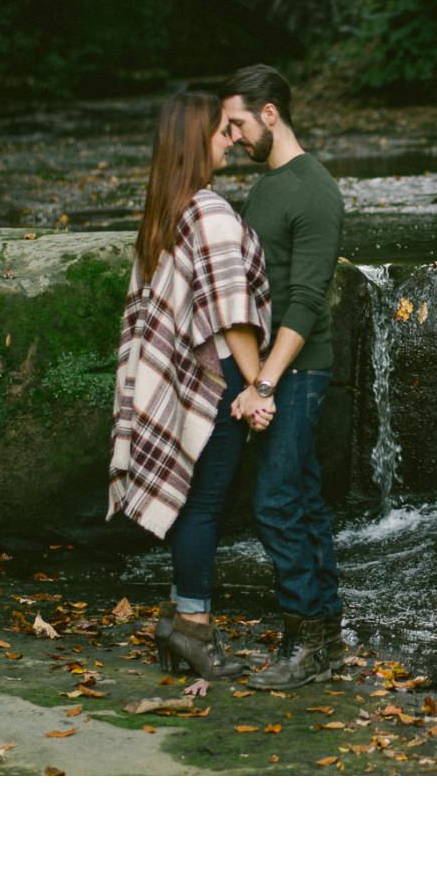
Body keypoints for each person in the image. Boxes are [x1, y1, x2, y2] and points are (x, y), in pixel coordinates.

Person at [107, 89, 276, 683]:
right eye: (219, 130)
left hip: (184, 374)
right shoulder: (207, 210)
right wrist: (260, 385)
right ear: (194, 140)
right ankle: (192, 629)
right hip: (217, 373)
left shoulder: (165, 208)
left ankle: (181, 624)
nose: (229, 137)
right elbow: (230, 313)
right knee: (204, 504)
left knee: (193, 502)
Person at [219, 64, 348, 689]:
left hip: (297, 370)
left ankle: (304, 641)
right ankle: (327, 634)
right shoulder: (265, 187)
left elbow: (307, 300)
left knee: (273, 501)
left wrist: (264, 382)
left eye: (238, 123)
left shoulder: (315, 191)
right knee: (300, 495)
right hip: (269, 368)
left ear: (270, 114)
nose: (233, 136)